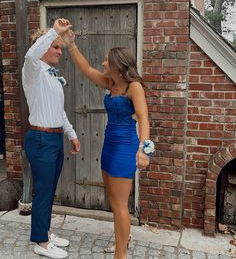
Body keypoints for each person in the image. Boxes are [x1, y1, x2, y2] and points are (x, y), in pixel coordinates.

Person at [62, 28, 154, 259]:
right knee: (113, 201)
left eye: (106, 60)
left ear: (118, 65)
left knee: (120, 204)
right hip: (109, 146)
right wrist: (71, 44)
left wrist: (144, 150)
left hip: (125, 148)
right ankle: (125, 238)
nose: (103, 63)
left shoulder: (134, 87)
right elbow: (85, 69)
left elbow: (143, 119)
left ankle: (120, 255)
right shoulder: (110, 84)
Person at [22, 19, 80, 259]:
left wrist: (72, 134)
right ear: (43, 47)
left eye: (59, 47)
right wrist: (54, 31)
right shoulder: (33, 70)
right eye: (55, 47)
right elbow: (30, 55)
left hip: (55, 139)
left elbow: (59, 110)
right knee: (43, 191)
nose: (59, 51)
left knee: (49, 190)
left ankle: (43, 230)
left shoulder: (52, 75)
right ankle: (41, 242)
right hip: (40, 139)